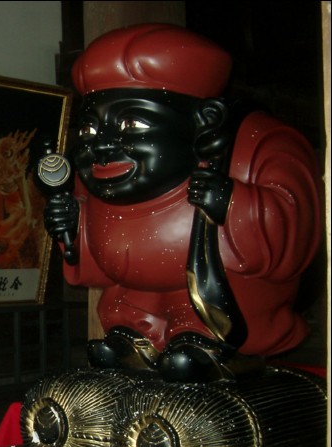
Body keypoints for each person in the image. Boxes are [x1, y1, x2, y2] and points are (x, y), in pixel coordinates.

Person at [40, 23, 322, 382]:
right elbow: (96, 263)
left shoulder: (250, 147)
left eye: (131, 123)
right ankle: (138, 340)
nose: (101, 144)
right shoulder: (103, 178)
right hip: (136, 297)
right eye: (90, 130)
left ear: (201, 121)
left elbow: (292, 230)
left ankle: (205, 341)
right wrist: (74, 228)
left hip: (223, 298)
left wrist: (232, 203)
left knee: (216, 303)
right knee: (127, 303)